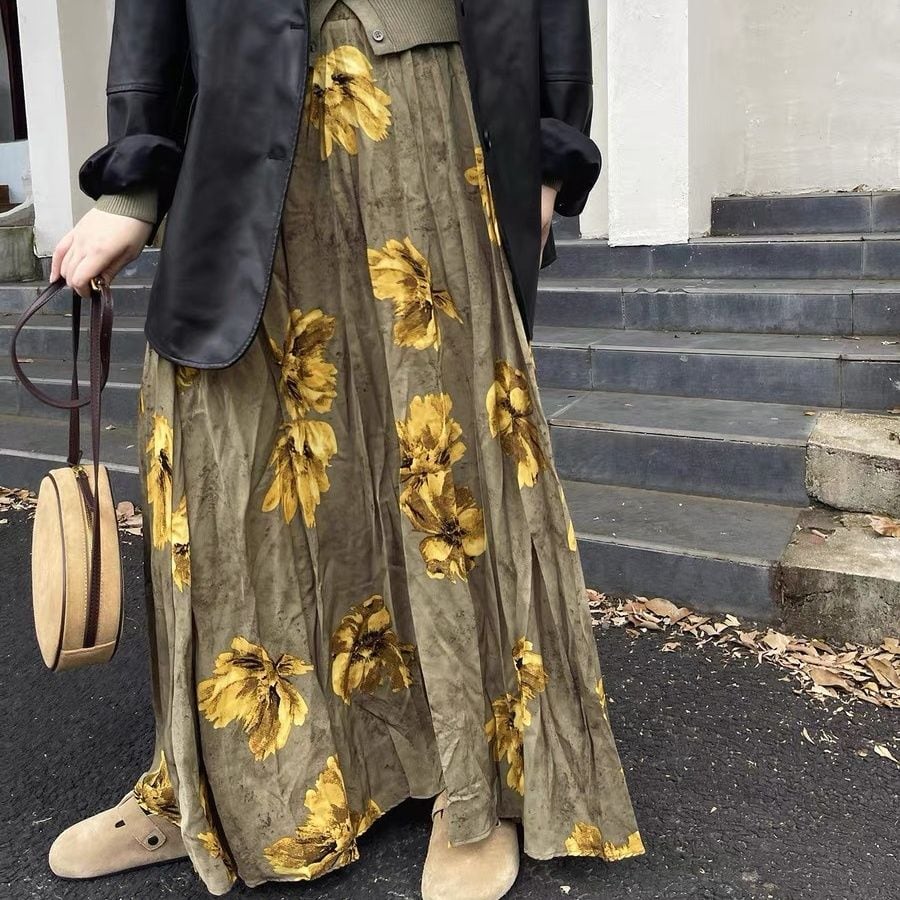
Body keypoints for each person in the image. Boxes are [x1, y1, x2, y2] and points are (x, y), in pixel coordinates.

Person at [45, 1, 644, 897]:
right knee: (230, 467)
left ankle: (472, 783)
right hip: (237, 122)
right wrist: (131, 184)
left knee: (441, 458)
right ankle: (218, 790)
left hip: (428, 114)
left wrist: (549, 154)